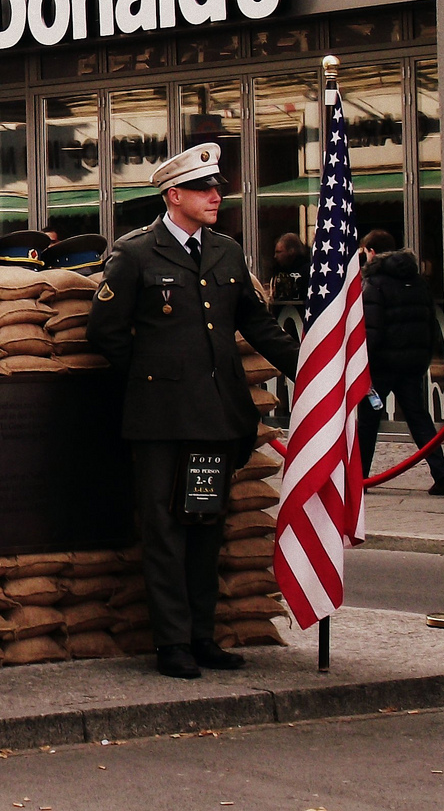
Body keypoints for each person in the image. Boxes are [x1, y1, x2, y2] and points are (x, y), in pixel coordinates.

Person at [87, 143, 298, 680]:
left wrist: (310, 369)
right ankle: (172, 643)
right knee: (164, 532)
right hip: (160, 421)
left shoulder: (226, 251)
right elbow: (106, 334)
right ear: (173, 194)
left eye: (217, 188)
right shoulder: (135, 253)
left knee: (206, 526)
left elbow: (257, 324)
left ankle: (202, 635)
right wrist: (157, 380)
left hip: (217, 417)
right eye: (204, 189)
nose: (215, 197)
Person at [357, 229, 444, 494]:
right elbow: (430, 323)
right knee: (419, 418)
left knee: (367, 422)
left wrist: (363, 361)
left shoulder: (374, 283)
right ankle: (442, 472)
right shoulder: (417, 280)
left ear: (372, 251)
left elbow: (372, 331)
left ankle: (359, 478)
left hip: (381, 366)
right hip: (412, 363)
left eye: (364, 251)